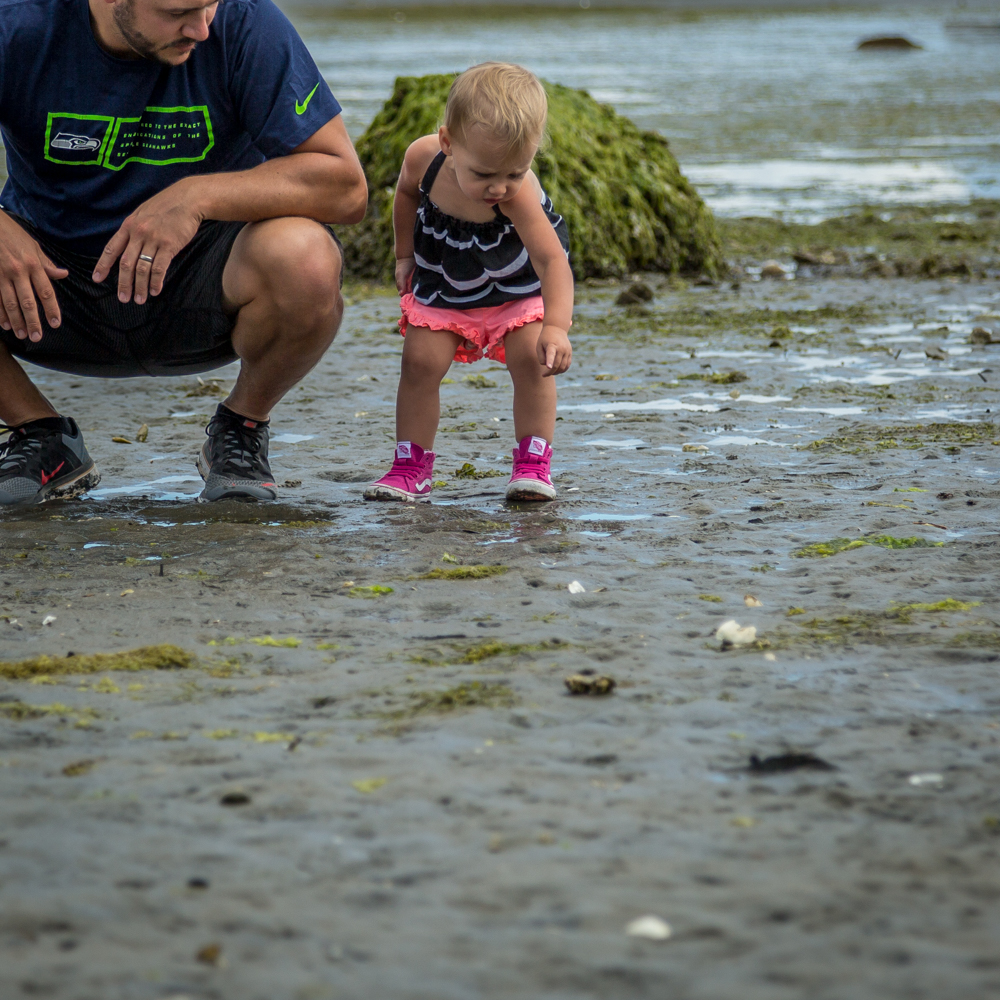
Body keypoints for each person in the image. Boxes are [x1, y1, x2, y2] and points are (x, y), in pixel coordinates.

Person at [0, 0, 367, 506]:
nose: (200, 28)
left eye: (208, 5)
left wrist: (195, 197)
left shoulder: (245, 23)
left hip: (200, 283)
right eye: (178, 11)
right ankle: (40, 434)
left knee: (304, 255)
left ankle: (241, 428)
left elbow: (345, 186)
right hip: (50, 290)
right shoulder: (17, 22)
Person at [363, 62, 573, 504]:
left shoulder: (518, 195)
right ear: (447, 143)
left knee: (531, 361)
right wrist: (404, 255)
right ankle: (410, 465)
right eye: (484, 174)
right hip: (445, 279)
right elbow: (403, 194)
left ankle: (533, 461)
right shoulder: (424, 158)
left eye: (515, 172)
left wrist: (557, 326)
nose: (500, 187)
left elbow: (551, 259)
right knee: (418, 363)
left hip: (515, 284)